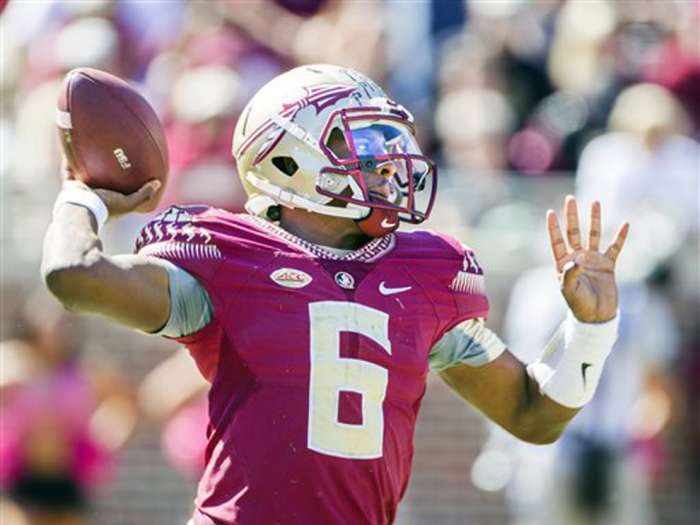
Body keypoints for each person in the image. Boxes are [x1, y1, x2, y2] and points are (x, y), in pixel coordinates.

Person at [41, 64, 629, 525]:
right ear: (288, 156)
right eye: (366, 143)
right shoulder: (224, 256)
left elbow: (534, 415)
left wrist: (589, 329)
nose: (390, 162)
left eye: (390, 140)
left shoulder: (427, 272)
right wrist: (84, 194)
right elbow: (73, 274)